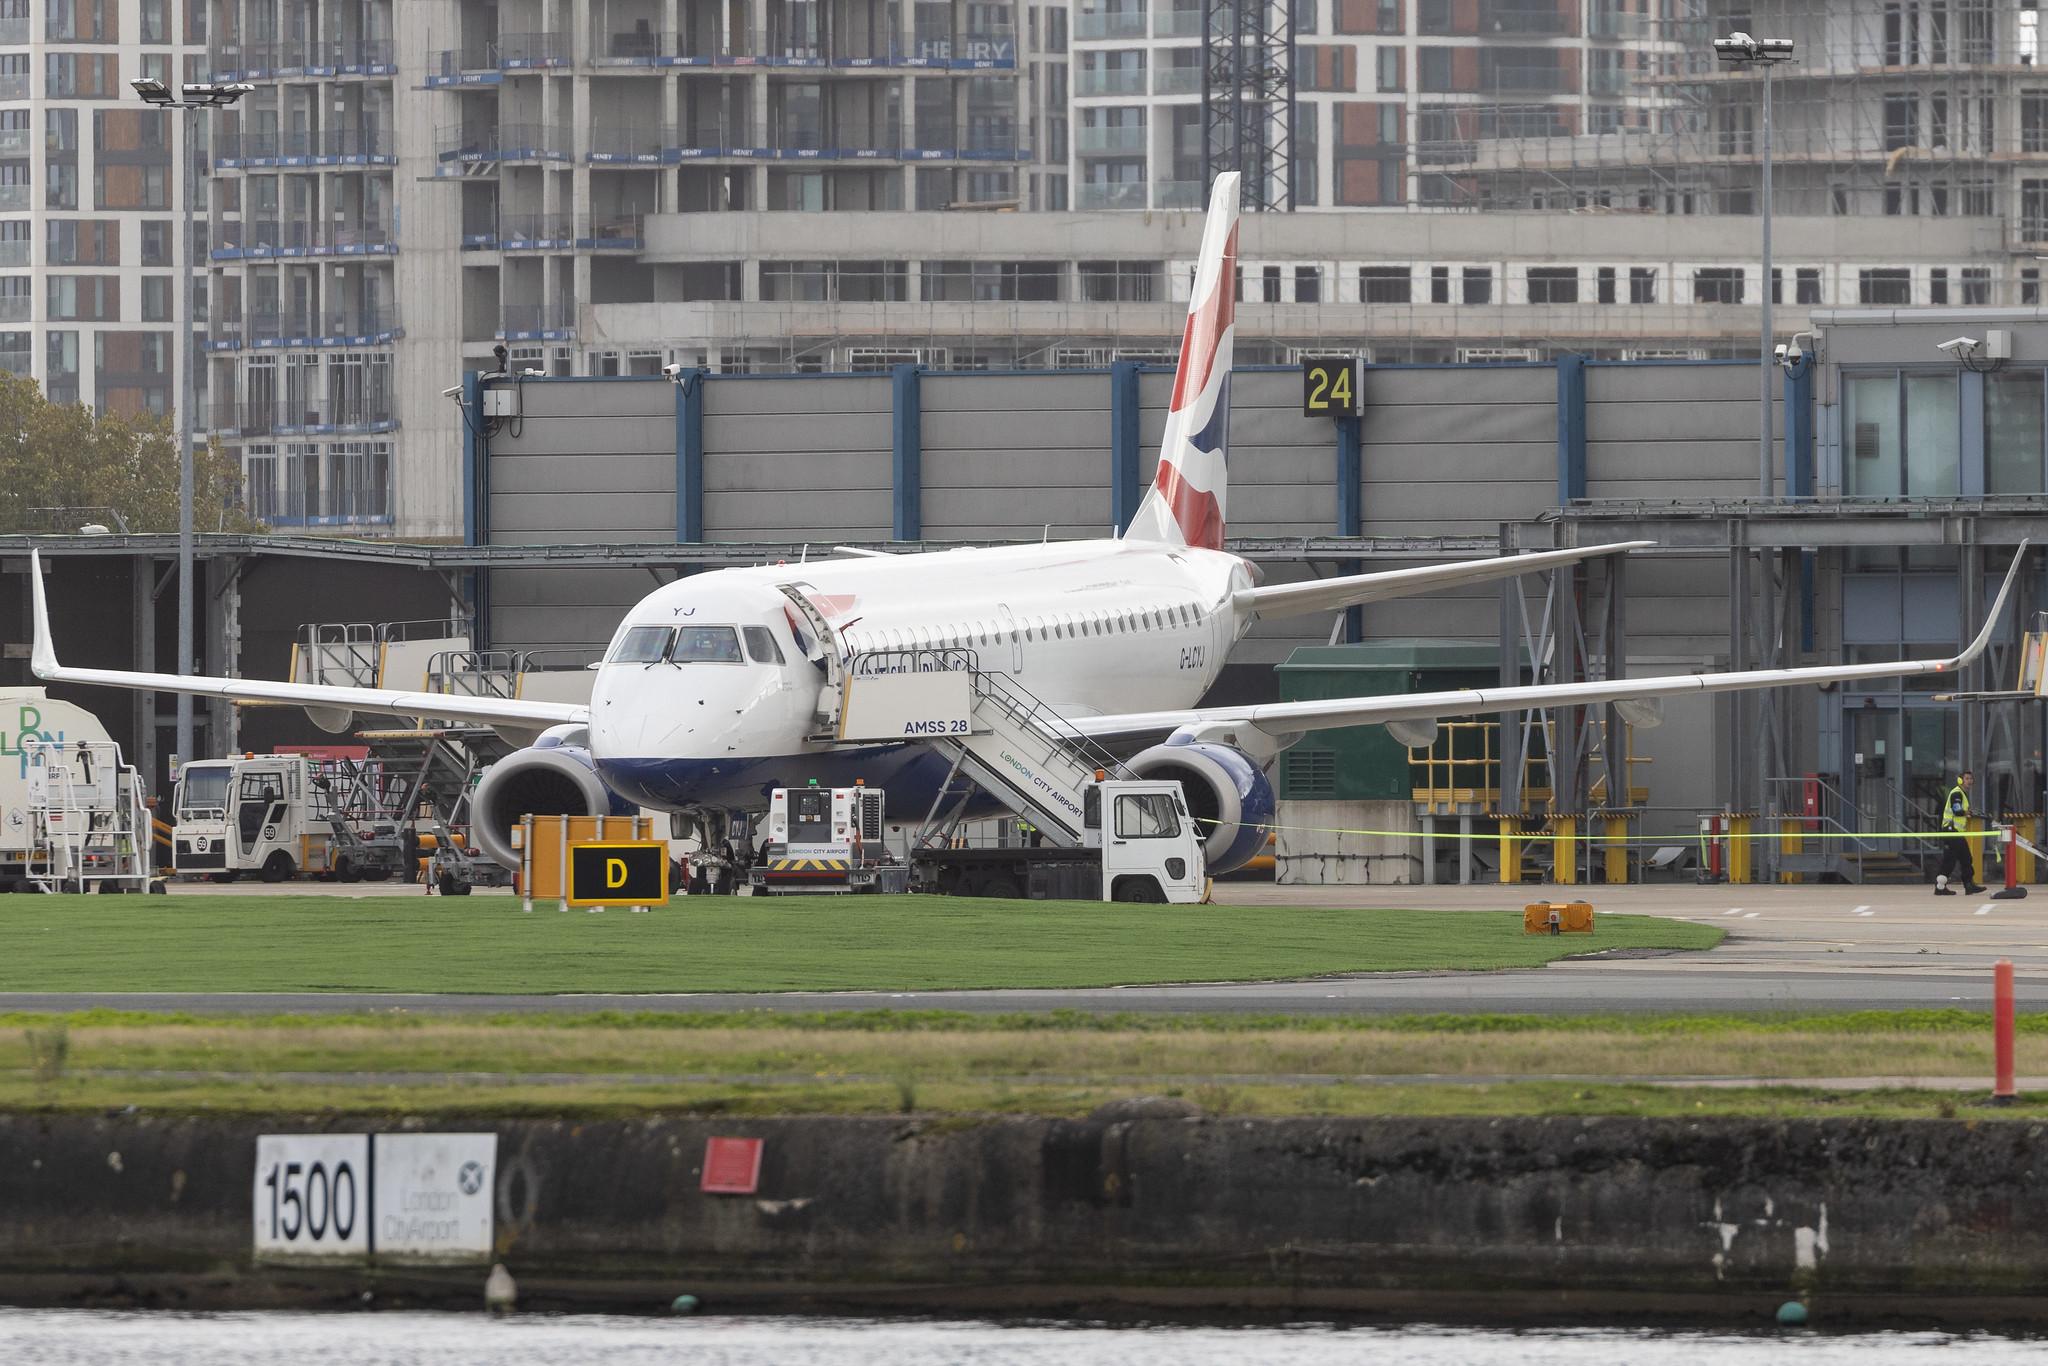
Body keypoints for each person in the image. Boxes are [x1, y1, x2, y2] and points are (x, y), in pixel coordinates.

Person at [1934, 769, 1985, 896]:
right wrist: (1969, 812)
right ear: (1960, 780)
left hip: (1956, 832)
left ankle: (1969, 885)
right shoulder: (1957, 793)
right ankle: (1940, 887)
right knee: (1949, 860)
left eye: (1971, 779)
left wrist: (1968, 812)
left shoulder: (1962, 794)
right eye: (1967, 778)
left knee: (1966, 858)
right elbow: (1957, 810)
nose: (1970, 781)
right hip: (1951, 830)